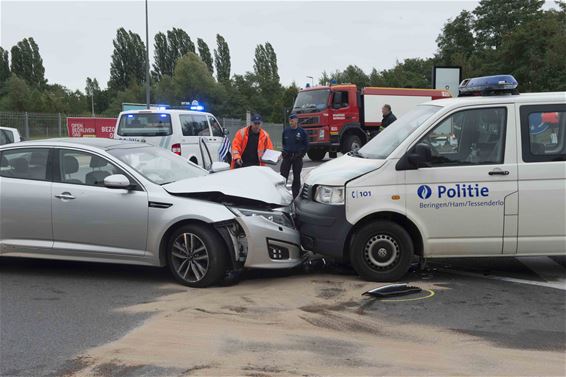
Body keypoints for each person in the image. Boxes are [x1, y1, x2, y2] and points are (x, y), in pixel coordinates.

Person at [280, 113, 309, 198]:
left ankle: (295, 196)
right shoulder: (286, 131)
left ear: (296, 120)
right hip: (287, 156)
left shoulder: (302, 132)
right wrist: (284, 151)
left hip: (297, 157)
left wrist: (301, 154)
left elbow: (306, 145)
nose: (291, 122)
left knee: (296, 177)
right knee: (283, 176)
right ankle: (282, 194)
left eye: (292, 120)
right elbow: (284, 143)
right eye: (290, 120)